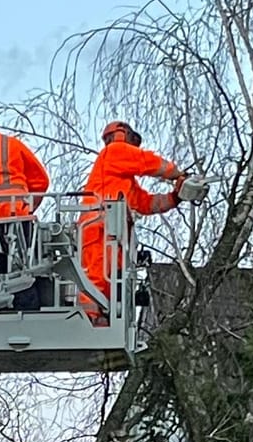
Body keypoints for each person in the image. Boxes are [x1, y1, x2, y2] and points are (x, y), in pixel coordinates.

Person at [78, 120, 205, 322]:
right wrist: (178, 174)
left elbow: (147, 204)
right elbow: (147, 162)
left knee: (110, 278)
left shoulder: (123, 182)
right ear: (123, 135)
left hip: (112, 231)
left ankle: (99, 317)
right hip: (99, 226)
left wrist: (175, 197)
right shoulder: (114, 151)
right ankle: (88, 319)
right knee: (97, 275)